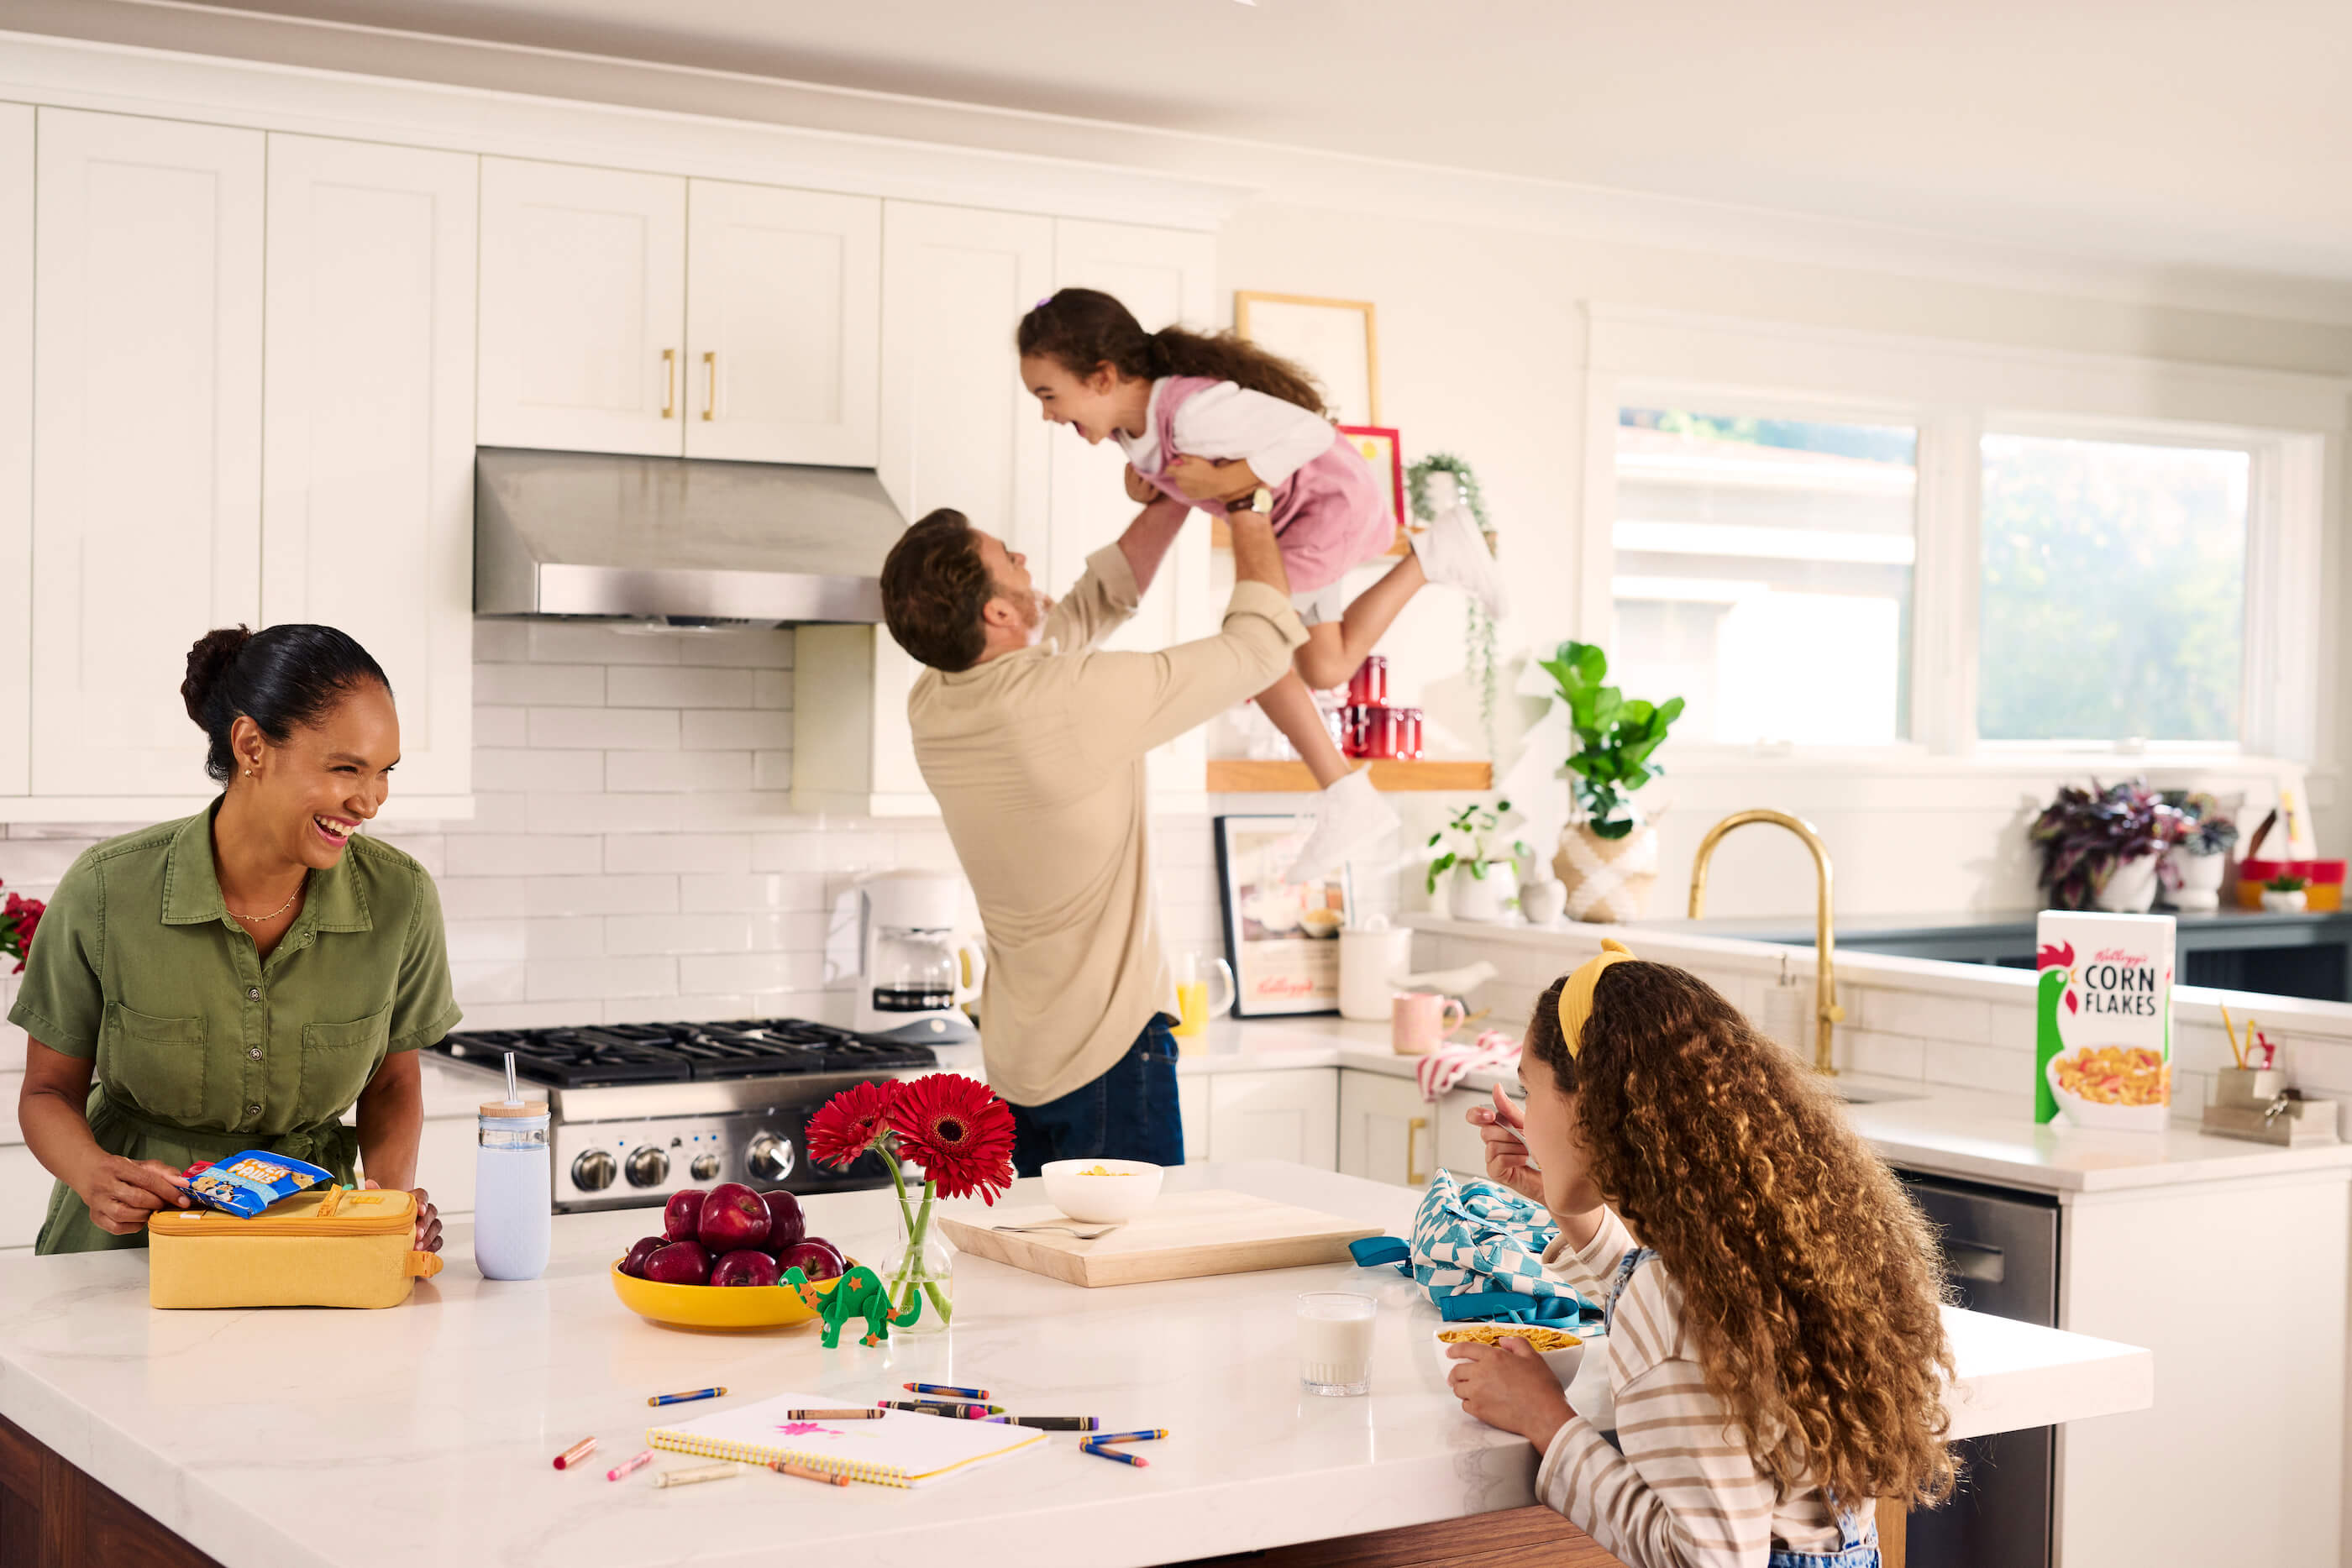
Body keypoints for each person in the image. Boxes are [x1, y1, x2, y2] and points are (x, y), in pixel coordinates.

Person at [1446, 941, 1956, 1568]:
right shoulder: (1761, 1245)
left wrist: (1546, 1419)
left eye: (1530, 1090)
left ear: (1590, 1105)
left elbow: (1709, 1560)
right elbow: (1690, 1320)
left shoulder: (1665, 1308)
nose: (1525, 1116)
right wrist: (1569, 1196)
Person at [1017, 288, 1506, 882]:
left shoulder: (1192, 411)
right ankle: (1434, 556)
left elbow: (1309, 435)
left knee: (1255, 649)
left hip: (1329, 505)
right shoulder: (1135, 435)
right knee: (1323, 667)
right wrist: (1148, 485)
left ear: (1101, 377)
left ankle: (1346, 795)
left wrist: (1236, 477)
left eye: (1049, 395)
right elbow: (1164, 508)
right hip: (1293, 523)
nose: (1046, 413)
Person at [880, 496, 1302, 1173]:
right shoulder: (1068, 699)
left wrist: (1174, 492)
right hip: (1111, 1062)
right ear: (997, 613)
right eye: (1006, 557)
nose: (1022, 557)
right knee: (1136, 1275)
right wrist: (1246, 506)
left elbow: (1088, 606)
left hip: (1017, 1065)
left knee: (1043, 1275)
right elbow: (1261, 647)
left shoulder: (935, 702)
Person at [12, 625, 460, 1255]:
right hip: (129, 1254)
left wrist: (385, 1204)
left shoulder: (401, 899)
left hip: (312, 1248)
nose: (371, 801)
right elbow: (46, 1092)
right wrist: (93, 1174)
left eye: (384, 771)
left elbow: (391, 1085)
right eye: (345, 768)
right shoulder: (109, 891)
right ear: (252, 745)